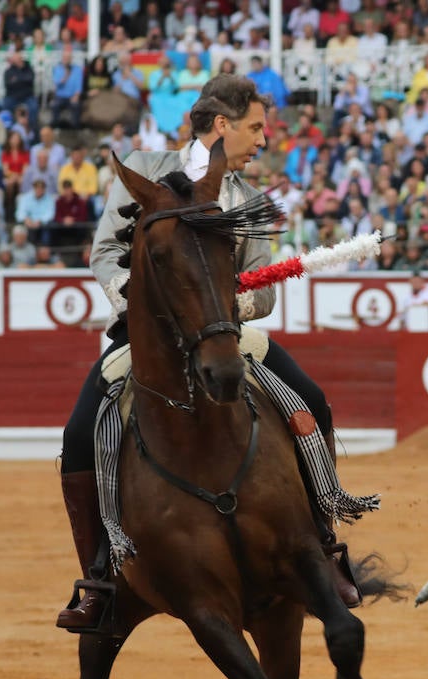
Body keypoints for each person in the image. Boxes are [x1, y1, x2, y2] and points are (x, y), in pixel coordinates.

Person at [68, 73, 360, 631]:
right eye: (255, 127)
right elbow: (106, 251)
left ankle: (324, 546)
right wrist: (133, 306)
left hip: (225, 334)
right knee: (80, 433)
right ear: (222, 125)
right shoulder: (143, 171)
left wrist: (215, 312)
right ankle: (100, 576)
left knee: (313, 402)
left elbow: (265, 289)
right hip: (147, 339)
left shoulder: (247, 199)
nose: (263, 139)